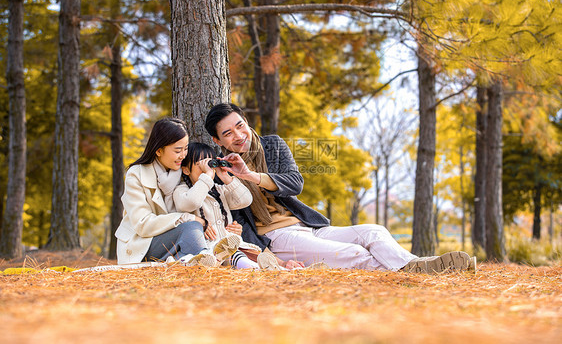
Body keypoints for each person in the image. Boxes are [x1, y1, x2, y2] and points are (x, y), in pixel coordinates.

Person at [204, 103, 476, 273]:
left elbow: (295, 183)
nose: (239, 136)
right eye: (228, 133)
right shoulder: (220, 173)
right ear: (219, 141)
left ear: (247, 122)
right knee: (354, 254)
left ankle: (418, 266)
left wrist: (252, 175)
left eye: (240, 126)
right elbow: (236, 222)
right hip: (277, 238)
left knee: (373, 231)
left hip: (308, 226)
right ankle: (426, 268)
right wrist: (269, 258)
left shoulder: (273, 145)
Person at [168, 142, 302, 270]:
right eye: (200, 165)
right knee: (233, 256)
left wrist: (225, 176)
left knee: (252, 253)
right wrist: (208, 176)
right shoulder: (182, 191)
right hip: (208, 248)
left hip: (231, 247)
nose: (207, 169)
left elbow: (245, 199)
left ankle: (276, 266)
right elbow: (193, 202)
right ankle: (253, 268)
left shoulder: (219, 190)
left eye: (210, 164)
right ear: (186, 170)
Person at [115, 117, 216, 267]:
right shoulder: (136, 174)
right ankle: (207, 260)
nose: (183, 155)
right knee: (191, 226)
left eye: (186, 148)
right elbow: (143, 224)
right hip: (142, 245)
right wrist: (186, 218)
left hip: (173, 243)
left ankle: (197, 260)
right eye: (177, 150)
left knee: (192, 240)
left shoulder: (183, 171)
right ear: (159, 150)